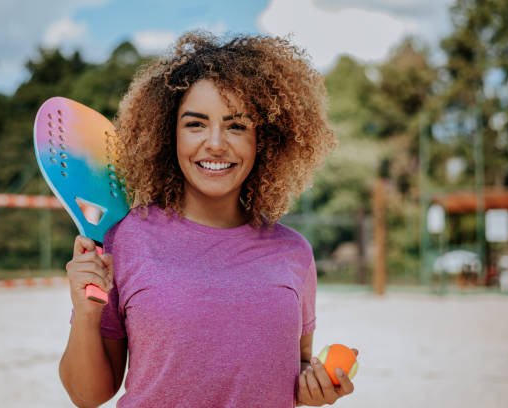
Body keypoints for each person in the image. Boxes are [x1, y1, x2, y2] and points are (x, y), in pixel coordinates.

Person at [60, 31, 358, 407]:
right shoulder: (124, 239)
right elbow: (87, 396)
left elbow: (293, 368)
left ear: (262, 140)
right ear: (170, 135)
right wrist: (87, 314)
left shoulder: (294, 252)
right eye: (195, 124)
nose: (215, 143)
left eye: (236, 125)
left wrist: (314, 389)